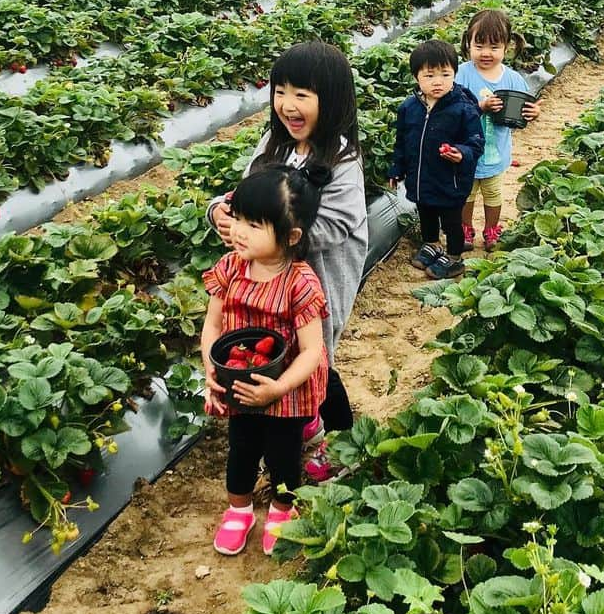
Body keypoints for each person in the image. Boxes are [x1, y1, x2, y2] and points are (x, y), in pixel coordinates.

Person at [208, 41, 367, 481]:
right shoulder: (273, 145)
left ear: (331, 100)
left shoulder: (342, 160)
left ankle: (339, 435)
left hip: (318, 283)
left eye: (302, 94)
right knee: (281, 354)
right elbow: (246, 195)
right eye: (281, 91)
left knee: (316, 359)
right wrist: (224, 213)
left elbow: (337, 224)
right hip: (268, 281)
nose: (288, 105)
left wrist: (272, 237)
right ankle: (298, 420)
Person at [201, 166, 330, 556]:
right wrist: (211, 368)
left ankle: (280, 510)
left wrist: (279, 386)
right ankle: (239, 510)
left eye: (254, 225)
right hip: (239, 383)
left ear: (291, 236)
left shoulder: (300, 283)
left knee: (283, 457)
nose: (238, 231)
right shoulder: (229, 269)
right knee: (240, 450)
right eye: (237, 218)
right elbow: (212, 325)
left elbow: (312, 351)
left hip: (285, 391)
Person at [387, 39, 484, 281]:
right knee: (426, 214)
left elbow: (476, 142)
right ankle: (431, 244)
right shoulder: (409, 108)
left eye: (445, 74)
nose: (438, 81)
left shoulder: (463, 109)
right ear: (416, 77)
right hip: (420, 179)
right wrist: (397, 169)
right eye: (429, 75)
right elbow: (402, 142)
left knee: (452, 222)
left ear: (454, 74)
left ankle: (454, 258)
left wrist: (461, 152)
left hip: (450, 180)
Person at [455, 9, 541, 251]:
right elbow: (452, 111)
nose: (486, 53)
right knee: (466, 196)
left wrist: (534, 113)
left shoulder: (512, 79)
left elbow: (526, 110)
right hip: (465, 155)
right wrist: (480, 106)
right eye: (479, 45)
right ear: (468, 43)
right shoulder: (461, 74)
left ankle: (492, 230)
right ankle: (465, 229)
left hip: (495, 154)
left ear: (506, 47)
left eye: (494, 47)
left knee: (493, 195)